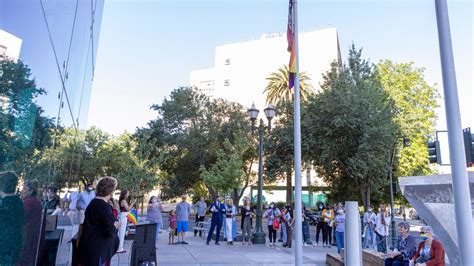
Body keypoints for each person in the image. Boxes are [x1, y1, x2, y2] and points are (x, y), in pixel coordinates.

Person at [78, 177, 120, 266]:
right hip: (98, 249)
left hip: (89, 247)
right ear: (111, 191)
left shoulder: (93, 202)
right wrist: (116, 224)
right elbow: (110, 230)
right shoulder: (104, 207)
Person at [0, 171, 25, 265]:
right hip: (15, 245)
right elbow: (23, 226)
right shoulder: (19, 201)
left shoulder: (3, 204)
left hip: (3, 247)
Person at [18, 179, 42, 265]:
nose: (22, 191)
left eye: (24, 189)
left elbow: (22, 217)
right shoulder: (34, 201)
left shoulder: (29, 202)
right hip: (32, 233)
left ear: (31, 191)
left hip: (29, 234)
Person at [117, 189, 136, 253]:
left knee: (121, 233)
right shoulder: (123, 201)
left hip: (123, 216)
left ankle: (119, 247)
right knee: (121, 233)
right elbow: (127, 209)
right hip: (123, 217)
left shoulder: (122, 200)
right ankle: (120, 248)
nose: (128, 195)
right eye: (127, 193)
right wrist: (133, 203)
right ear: (124, 194)